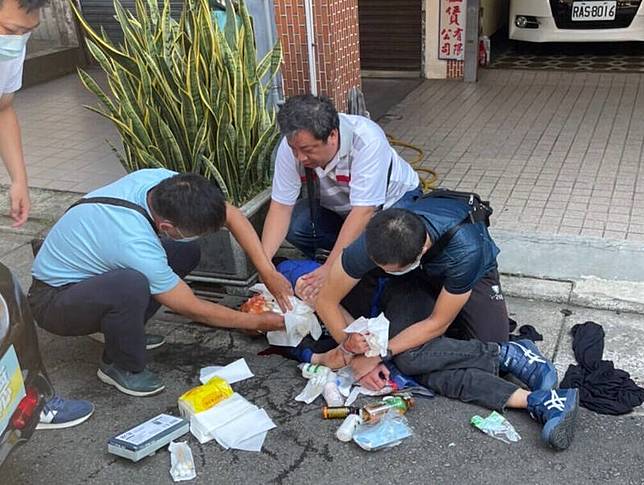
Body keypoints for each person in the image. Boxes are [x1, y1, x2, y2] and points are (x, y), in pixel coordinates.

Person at [29, 169, 291, 397]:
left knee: (185, 252)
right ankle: (119, 365)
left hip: (91, 281)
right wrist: (256, 322)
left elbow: (231, 214)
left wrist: (267, 272)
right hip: (53, 301)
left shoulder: (162, 183)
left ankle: (123, 330)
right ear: (166, 226)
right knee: (130, 284)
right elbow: (192, 307)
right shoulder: (133, 242)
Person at [0, 0, 93, 429]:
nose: (15, 41)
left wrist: (19, 179)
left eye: (26, 32)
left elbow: (3, 108)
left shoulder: (9, 47)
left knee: (8, 301)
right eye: (8, 29)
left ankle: (28, 403)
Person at [261, 94, 421, 302]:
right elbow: (281, 208)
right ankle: (343, 255)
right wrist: (265, 268)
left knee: (391, 243)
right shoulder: (293, 145)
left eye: (307, 150)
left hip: (392, 204)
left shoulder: (366, 140)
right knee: (297, 223)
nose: (299, 158)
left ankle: (354, 263)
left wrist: (330, 269)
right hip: (343, 209)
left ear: (333, 135)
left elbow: (363, 212)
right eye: (294, 150)